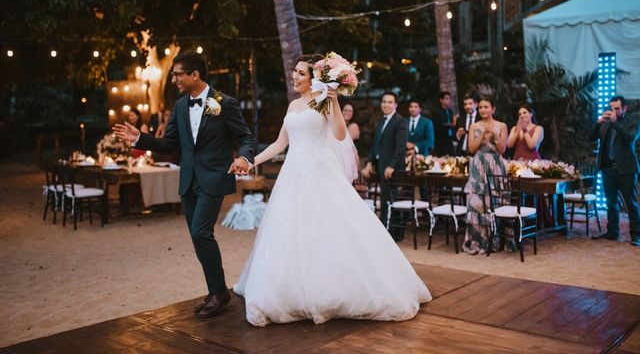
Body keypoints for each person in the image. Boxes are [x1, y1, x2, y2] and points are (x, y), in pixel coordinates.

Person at [233, 55, 431, 326]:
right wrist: (249, 160)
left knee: (331, 229)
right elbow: (280, 143)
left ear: (314, 77)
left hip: (320, 170)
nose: (294, 76)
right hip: (293, 173)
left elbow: (339, 134)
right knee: (289, 232)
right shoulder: (292, 105)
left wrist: (335, 99)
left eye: (300, 73)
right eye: (294, 72)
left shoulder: (325, 101)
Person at [113, 51, 256, 318]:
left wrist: (245, 157)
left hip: (214, 178)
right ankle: (217, 291)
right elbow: (169, 145)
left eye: (178, 74)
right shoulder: (180, 106)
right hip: (188, 181)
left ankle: (219, 293)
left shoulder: (225, 103)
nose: (174, 79)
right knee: (197, 237)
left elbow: (246, 137)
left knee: (201, 233)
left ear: (195, 75)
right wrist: (140, 139)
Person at [590, 96, 640, 246]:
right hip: (608, 169)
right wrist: (598, 123)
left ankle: (636, 235)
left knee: (630, 203)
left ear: (624, 108)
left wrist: (615, 122)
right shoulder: (605, 123)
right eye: (611, 108)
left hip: (626, 169)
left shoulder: (633, 122)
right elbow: (591, 137)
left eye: (616, 108)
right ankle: (612, 232)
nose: (613, 111)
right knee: (611, 203)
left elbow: (630, 138)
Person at [463, 97, 510, 255]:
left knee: (495, 201)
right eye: (481, 107)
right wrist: (481, 133)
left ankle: (495, 240)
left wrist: (495, 135)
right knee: (476, 202)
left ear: (493, 109)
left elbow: (503, 149)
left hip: (495, 165)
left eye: (486, 107)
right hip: (478, 165)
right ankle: (477, 240)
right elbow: (471, 148)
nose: (483, 110)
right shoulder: (474, 126)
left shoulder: (501, 125)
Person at [361, 92, 408, 233]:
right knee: (384, 201)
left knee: (392, 202)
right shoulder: (381, 121)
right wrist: (369, 163)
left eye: (389, 102)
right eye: (384, 101)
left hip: (393, 169)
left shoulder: (400, 121)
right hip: (381, 167)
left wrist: (391, 166)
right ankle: (385, 233)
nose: (386, 105)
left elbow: (401, 147)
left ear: (395, 105)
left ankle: (394, 234)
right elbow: (376, 145)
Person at [432, 91, 455, 156]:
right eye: (446, 99)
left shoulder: (450, 112)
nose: (449, 101)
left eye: (449, 99)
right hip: (440, 140)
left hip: (450, 139)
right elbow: (435, 128)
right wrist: (446, 126)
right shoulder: (436, 112)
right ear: (441, 100)